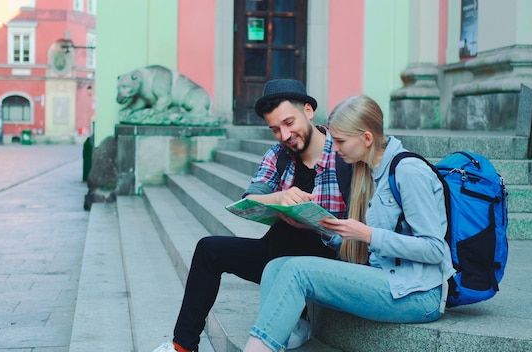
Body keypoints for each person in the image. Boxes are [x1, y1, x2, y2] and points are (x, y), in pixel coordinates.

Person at [242, 95, 456, 352]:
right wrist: (320, 228)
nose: (334, 148)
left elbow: (435, 249)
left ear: (366, 138)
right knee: (276, 267)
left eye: (341, 141)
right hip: (385, 277)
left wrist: (368, 234)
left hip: (417, 294)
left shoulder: (409, 172)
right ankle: (279, 338)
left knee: (298, 270)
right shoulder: (368, 171)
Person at [153, 79, 351, 352]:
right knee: (209, 250)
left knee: (296, 236)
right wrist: (280, 198)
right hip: (278, 255)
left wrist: (318, 225)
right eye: (275, 129)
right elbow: (251, 199)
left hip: (327, 263)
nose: (284, 135)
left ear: (308, 110)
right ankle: (182, 347)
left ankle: (297, 319)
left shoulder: (343, 154)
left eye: (289, 123)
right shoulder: (279, 155)